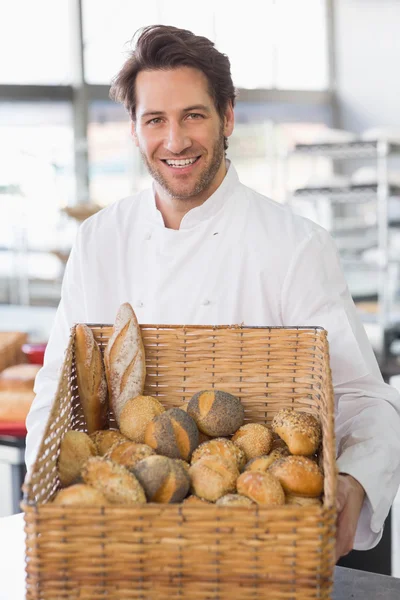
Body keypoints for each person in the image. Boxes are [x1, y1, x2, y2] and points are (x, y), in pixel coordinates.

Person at [26, 24, 400, 561]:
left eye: (193, 116)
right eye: (155, 119)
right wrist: (46, 491)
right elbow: (55, 392)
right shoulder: (98, 241)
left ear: (227, 116)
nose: (175, 141)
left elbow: (367, 400)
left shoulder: (295, 246)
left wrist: (352, 483)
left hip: (255, 550)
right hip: (122, 549)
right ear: (134, 128)